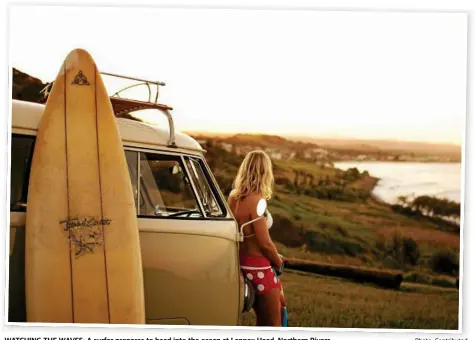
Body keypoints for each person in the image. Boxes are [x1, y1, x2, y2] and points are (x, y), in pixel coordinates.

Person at [227, 150, 286, 326]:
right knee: (274, 325)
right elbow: (265, 243)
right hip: (259, 267)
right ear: (265, 172)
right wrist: (278, 261)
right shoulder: (258, 201)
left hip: (243, 264)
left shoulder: (233, 197)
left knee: (262, 322)